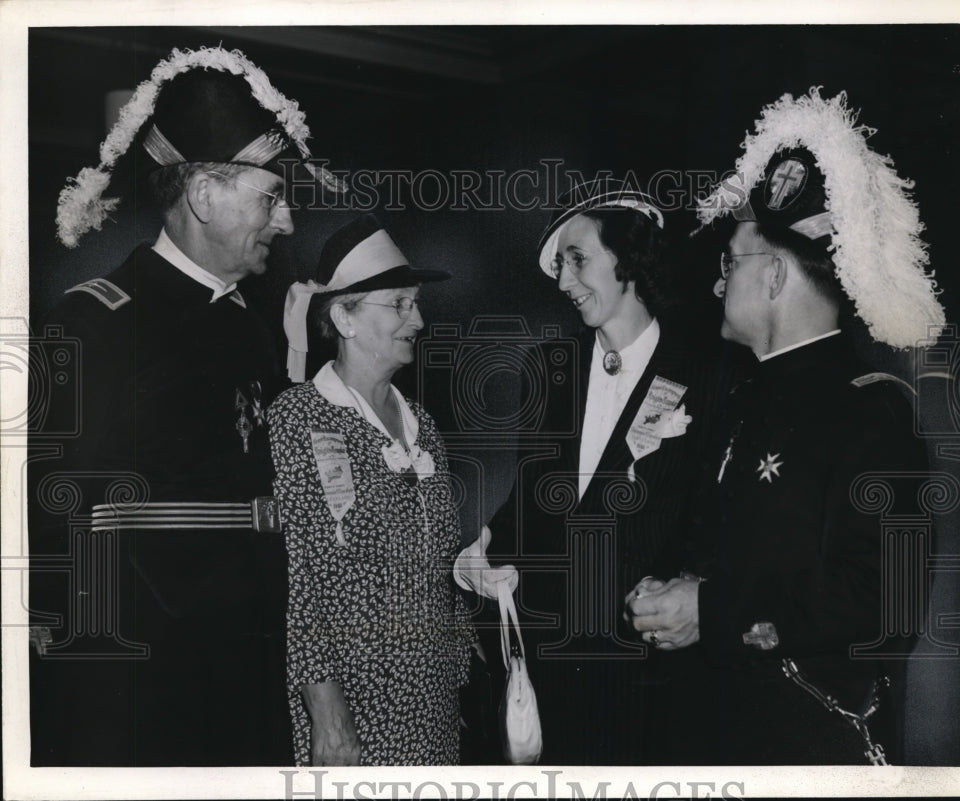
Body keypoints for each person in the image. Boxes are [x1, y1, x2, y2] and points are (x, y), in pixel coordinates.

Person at [28, 46, 338, 766]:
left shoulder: (246, 325)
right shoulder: (96, 321)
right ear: (203, 195)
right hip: (146, 679)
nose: (285, 221)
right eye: (270, 196)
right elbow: (49, 508)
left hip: (253, 656)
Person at [626, 89, 945, 764]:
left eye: (729, 263)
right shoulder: (744, 398)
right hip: (711, 735)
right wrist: (666, 587)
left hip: (799, 745)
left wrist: (710, 610)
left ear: (772, 276)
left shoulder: (871, 410)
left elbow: (887, 598)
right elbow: (721, 548)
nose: (717, 285)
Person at [484, 179, 730, 765]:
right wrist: (486, 550)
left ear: (627, 258)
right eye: (560, 267)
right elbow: (531, 500)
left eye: (578, 260)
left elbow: (712, 522)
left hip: (647, 673)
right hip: (552, 658)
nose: (565, 282)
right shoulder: (550, 367)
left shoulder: (707, 373)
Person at [270, 214, 477, 766]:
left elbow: (433, 561)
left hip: (432, 698)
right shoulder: (301, 417)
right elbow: (303, 576)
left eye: (417, 304)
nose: (420, 319)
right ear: (344, 316)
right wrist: (327, 710)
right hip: (353, 702)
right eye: (401, 304)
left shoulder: (422, 424)